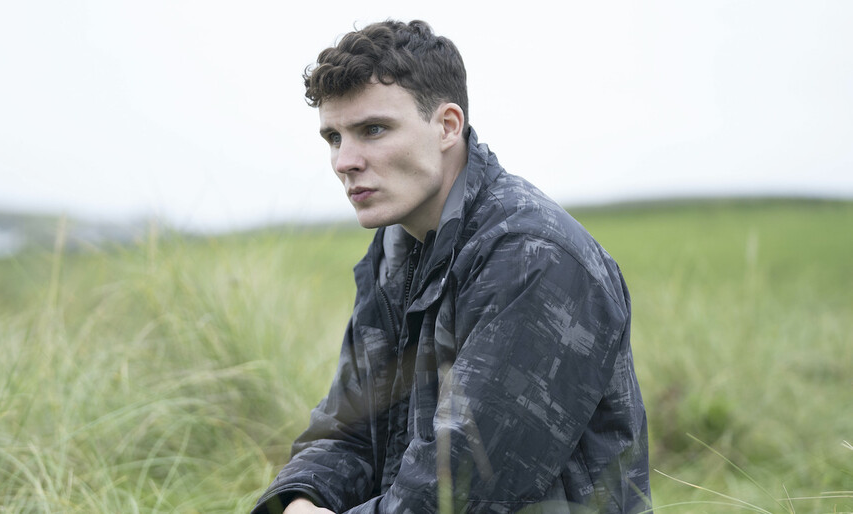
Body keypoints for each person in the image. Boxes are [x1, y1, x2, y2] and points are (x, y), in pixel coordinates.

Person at [252, 19, 651, 514]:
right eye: (333, 137)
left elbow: (463, 490)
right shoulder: (394, 249)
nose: (344, 160)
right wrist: (298, 501)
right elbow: (349, 426)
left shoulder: (534, 259)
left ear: (447, 126)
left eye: (373, 130)